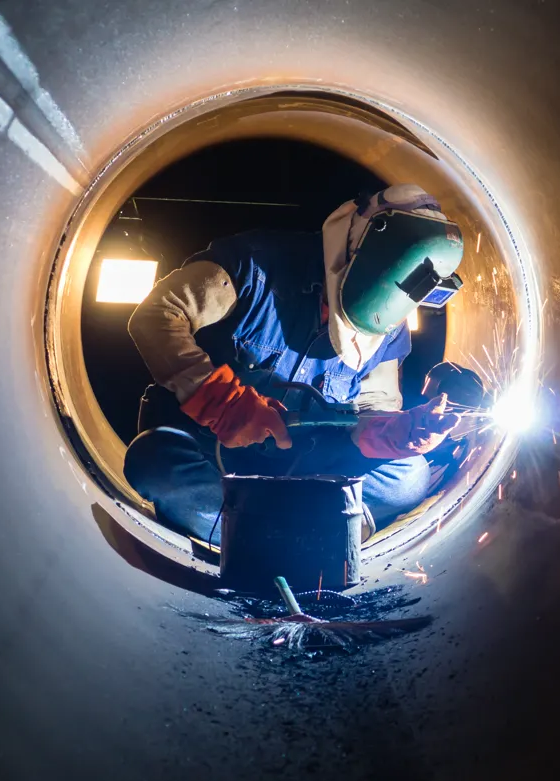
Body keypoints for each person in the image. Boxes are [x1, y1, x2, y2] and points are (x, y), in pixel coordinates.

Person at [123, 184, 466, 547]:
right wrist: (221, 403)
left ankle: (288, 532)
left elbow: (372, 409)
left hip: (313, 466)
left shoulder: (390, 323)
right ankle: (271, 534)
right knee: (154, 461)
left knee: (409, 476)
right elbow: (158, 314)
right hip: (215, 453)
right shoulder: (252, 266)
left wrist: (393, 435)